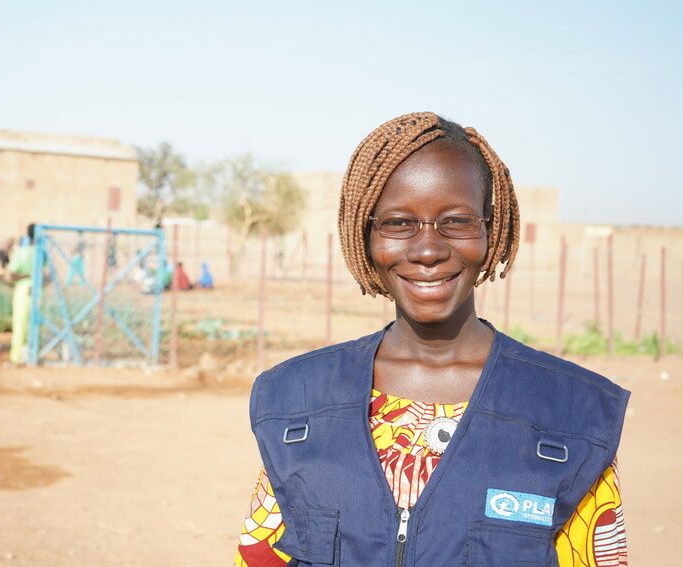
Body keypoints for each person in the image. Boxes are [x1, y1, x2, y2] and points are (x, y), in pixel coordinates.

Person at [236, 113, 630, 566]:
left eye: (456, 221)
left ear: (490, 231)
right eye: (399, 223)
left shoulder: (574, 413)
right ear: (366, 237)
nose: (427, 250)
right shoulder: (295, 402)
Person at [7, 224, 37, 364]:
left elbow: (10, 276)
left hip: (23, 291)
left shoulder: (22, 252)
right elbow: (48, 275)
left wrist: (26, 277)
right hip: (38, 291)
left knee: (20, 323)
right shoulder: (41, 252)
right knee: (35, 324)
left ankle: (17, 356)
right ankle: (33, 353)